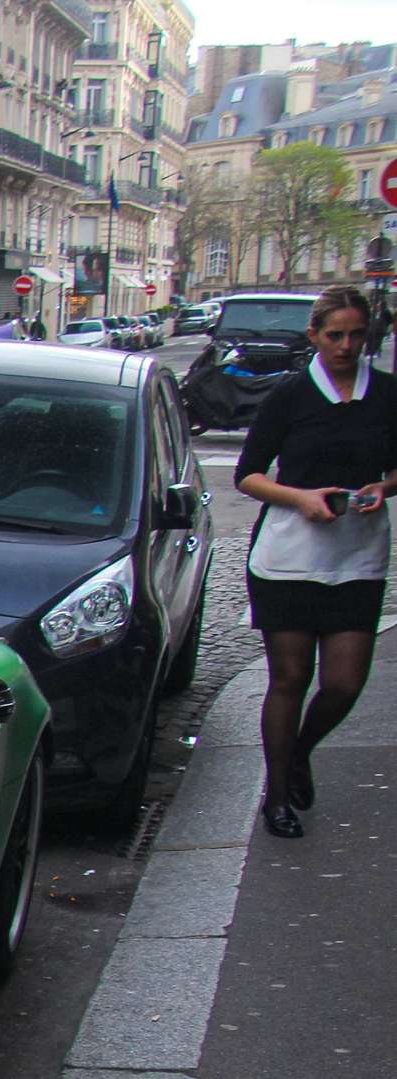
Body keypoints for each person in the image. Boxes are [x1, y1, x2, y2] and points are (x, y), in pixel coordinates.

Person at [234, 284, 397, 838]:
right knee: (291, 677)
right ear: (315, 336)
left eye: (357, 334)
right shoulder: (291, 397)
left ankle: (299, 751)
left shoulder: (389, 394)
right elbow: (248, 475)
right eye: (335, 335)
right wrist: (301, 498)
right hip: (289, 555)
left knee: (346, 683)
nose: (347, 345)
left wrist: (385, 485)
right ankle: (276, 797)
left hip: (358, 555)